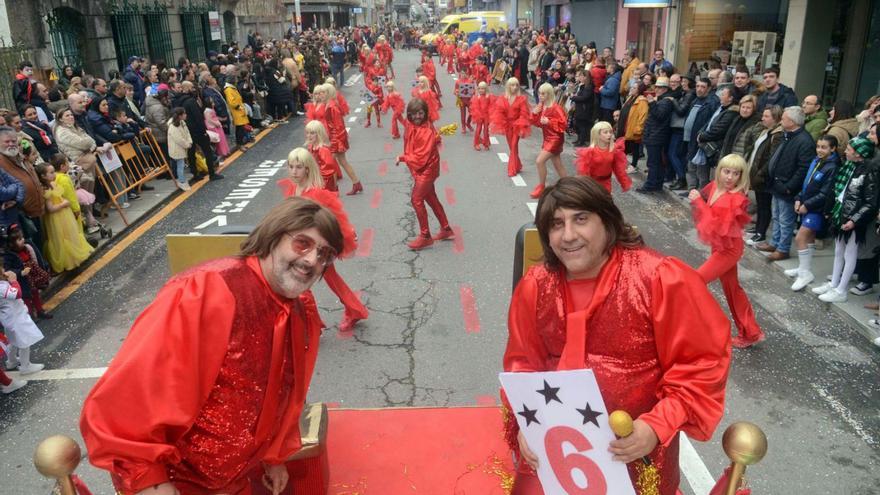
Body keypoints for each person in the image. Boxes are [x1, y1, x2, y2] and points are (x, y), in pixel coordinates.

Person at [80, 197, 344, 495]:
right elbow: (128, 399)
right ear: (274, 235)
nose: (312, 260)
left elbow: (283, 394)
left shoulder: (297, 307)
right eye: (302, 244)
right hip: (178, 484)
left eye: (324, 254)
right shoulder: (208, 290)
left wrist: (274, 458)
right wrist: (151, 480)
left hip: (235, 479)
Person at [503, 176, 731, 495]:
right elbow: (522, 364)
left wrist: (656, 426)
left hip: (636, 453)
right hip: (555, 449)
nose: (568, 235)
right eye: (556, 224)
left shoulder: (659, 279)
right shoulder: (536, 285)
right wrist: (528, 423)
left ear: (607, 222)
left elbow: (701, 365)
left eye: (580, 219)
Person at [277, 148, 369, 331]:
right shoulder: (294, 188)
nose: (294, 171)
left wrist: (342, 237)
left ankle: (316, 321)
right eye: (291, 166)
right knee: (321, 279)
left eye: (299, 167)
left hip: (319, 246)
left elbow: (335, 218)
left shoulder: (316, 193)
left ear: (308, 169)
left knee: (304, 280)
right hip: (304, 245)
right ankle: (345, 312)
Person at [688, 154, 765, 347]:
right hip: (721, 247)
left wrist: (698, 202)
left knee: (694, 282)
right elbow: (710, 218)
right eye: (726, 171)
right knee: (732, 289)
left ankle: (697, 328)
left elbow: (714, 224)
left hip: (728, 250)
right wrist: (700, 201)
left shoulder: (734, 198)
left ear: (742, 176)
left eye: (736, 173)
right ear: (719, 170)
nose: (730, 177)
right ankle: (750, 332)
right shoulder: (716, 188)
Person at [812, 137, 879, 303]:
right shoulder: (850, 167)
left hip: (853, 219)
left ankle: (841, 290)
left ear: (858, 154)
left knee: (850, 254)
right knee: (838, 251)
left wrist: (855, 220)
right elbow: (841, 192)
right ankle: (834, 284)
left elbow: (870, 202)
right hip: (841, 214)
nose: (846, 151)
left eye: (849, 149)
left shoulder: (869, 171)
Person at [756, 106, 815, 261]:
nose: (781, 120)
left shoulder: (804, 141)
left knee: (785, 220)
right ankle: (775, 243)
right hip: (777, 184)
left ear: (793, 121)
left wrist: (789, 187)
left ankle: (783, 249)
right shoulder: (787, 135)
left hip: (786, 187)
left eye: (783, 118)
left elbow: (803, 168)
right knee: (776, 216)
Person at [396, 98, 454, 251]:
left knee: (416, 199)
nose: (417, 117)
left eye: (420, 113)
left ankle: (425, 235)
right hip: (423, 168)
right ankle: (446, 228)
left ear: (425, 113)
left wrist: (403, 157)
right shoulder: (414, 125)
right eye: (413, 114)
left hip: (427, 169)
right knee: (431, 198)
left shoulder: (425, 131)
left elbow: (421, 156)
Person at [785, 135, 840, 291]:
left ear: (833, 149)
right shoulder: (817, 161)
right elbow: (807, 184)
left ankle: (805, 273)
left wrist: (807, 205)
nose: (819, 150)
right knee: (808, 239)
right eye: (818, 146)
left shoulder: (832, 167)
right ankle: (803, 268)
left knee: (800, 237)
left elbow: (825, 193)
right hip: (807, 206)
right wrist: (799, 198)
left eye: (824, 147)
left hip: (817, 210)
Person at [35, 162, 94, 272]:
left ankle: (75, 257)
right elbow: (50, 208)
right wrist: (64, 204)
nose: (54, 174)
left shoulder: (53, 183)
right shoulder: (45, 189)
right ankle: (67, 260)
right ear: (43, 176)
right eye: (51, 173)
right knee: (60, 237)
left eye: (54, 171)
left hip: (64, 215)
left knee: (69, 234)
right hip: (56, 217)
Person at [744, 106, 784, 246]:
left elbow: (771, 158)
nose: (762, 119)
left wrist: (761, 173)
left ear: (775, 118)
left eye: (766, 116)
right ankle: (758, 230)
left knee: (764, 205)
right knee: (761, 204)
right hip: (757, 174)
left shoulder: (777, 135)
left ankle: (760, 233)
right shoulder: (766, 131)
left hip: (764, 177)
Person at [0, 263, 45, 376]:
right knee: (25, 341)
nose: (4, 269)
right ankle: (26, 366)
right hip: (16, 317)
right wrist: (14, 280)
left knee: (12, 340)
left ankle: (11, 362)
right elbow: (17, 294)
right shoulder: (1, 287)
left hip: (8, 318)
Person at [2, 223, 51, 320]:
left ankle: (40, 311)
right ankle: (30, 316)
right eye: (20, 239)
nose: (23, 240)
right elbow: (8, 270)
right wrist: (21, 272)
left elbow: (34, 258)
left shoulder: (26, 248)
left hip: (31, 276)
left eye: (22, 238)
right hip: (22, 280)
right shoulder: (10, 256)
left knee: (35, 293)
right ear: (12, 243)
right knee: (27, 298)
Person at [528, 83, 569, 198]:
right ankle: (569, 187)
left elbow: (564, 124)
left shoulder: (556, 108)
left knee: (539, 161)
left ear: (549, 94)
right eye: (539, 93)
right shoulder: (542, 106)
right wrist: (534, 114)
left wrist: (549, 122)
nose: (540, 96)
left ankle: (541, 187)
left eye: (543, 93)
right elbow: (537, 123)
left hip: (555, 139)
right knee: (557, 164)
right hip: (547, 138)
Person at [638, 76, 675, 192]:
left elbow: (659, 116)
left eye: (660, 87)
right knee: (656, 162)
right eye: (657, 87)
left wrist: (651, 103)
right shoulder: (662, 100)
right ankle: (656, 184)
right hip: (655, 135)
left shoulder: (666, 101)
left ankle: (650, 185)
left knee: (653, 163)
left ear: (665, 89)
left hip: (656, 136)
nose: (657, 89)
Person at [574, 121, 631, 193]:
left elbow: (618, 169)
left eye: (610, 132)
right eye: (605, 132)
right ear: (597, 134)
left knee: (606, 202)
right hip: (593, 184)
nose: (609, 135)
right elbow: (584, 172)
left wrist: (624, 182)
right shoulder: (589, 152)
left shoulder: (613, 150)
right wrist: (586, 188)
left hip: (607, 183)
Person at [490, 78, 531, 177]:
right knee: (512, 147)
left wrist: (521, 126)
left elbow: (524, 114)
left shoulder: (522, 99)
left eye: (517, 85)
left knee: (513, 146)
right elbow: (499, 112)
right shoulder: (503, 98)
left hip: (517, 126)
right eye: (512, 85)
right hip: (508, 126)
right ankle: (518, 165)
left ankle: (511, 169)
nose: (515, 87)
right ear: (508, 86)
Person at [304, 120, 340, 192]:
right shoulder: (311, 148)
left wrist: (333, 187)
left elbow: (330, 171)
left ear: (319, 134)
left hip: (324, 184)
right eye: (307, 133)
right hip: (314, 181)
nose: (309, 135)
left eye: (312, 133)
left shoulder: (323, 150)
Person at [167, 108, 193, 191]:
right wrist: (187, 144)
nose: (186, 115)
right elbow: (179, 139)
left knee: (181, 165)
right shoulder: (173, 126)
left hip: (182, 147)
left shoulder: (182, 122)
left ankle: (182, 181)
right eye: (184, 114)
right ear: (180, 116)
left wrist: (189, 141)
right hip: (177, 149)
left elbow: (187, 132)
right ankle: (181, 182)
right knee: (180, 165)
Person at [570, 69, 594, 147]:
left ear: (585, 77)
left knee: (582, 126)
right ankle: (579, 139)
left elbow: (584, 98)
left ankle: (582, 141)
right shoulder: (583, 86)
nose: (579, 77)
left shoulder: (589, 87)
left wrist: (573, 97)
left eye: (581, 76)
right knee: (578, 124)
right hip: (580, 108)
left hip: (584, 109)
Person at [469, 82, 493, 151]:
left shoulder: (488, 97)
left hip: (486, 115)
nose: (481, 90)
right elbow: (475, 107)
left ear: (486, 89)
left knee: (486, 130)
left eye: (483, 89)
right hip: (479, 115)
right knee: (478, 129)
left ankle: (486, 143)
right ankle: (476, 143)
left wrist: (490, 113)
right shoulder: (477, 97)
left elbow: (491, 106)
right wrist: (478, 114)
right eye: (479, 88)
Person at [453, 70, 475, 135]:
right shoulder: (458, 82)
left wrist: (472, 92)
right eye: (462, 73)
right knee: (463, 114)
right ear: (460, 74)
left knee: (472, 112)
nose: (463, 75)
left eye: (465, 73)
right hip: (461, 99)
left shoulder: (470, 81)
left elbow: (474, 90)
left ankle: (468, 123)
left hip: (469, 100)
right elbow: (455, 91)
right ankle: (463, 126)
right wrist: (457, 93)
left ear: (467, 74)